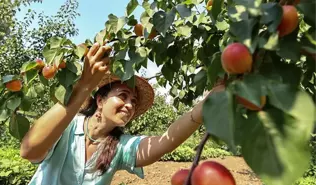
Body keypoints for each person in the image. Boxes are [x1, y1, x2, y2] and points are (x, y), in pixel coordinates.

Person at [20, 43, 224, 185]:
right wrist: (84, 84)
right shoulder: (67, 126)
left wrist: (206, 106)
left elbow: (164, 142)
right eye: (123, 96)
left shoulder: (118, 147)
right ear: (100, 100)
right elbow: (29, 150)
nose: (129, 105)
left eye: (133, 101)